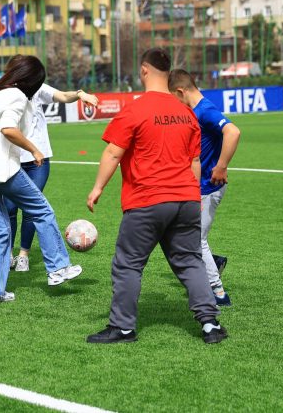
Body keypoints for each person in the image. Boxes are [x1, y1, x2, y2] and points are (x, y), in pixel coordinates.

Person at [85, 48, 226, 344]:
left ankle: (123, 328)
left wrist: (97, 188)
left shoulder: (135, 109)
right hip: (186, 199)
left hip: (147, 200)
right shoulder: (187, 113)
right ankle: (210, 325)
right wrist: (192, 195)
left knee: (128, 263)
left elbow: (113, 152)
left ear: (144, 70)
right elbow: (195, 162)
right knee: (190, 262)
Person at [0, 55, 82, 304]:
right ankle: (58, 268)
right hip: (1, 170)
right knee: (42, 211)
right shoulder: (16, 96)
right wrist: (34, 149)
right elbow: (8, 129)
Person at [2, 59, 99, 272]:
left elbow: (63, 96)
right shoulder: (5, 93)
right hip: (12, 159)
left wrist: (80, 94)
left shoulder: (37, 88)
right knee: (9, 209)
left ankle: (23, 255)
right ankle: (6, 253)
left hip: (39, 160)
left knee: (31, 208)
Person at [168, 69, 241, 306]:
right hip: (197, 187)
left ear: (181, 91)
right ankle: (214, 263)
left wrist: (221, 166)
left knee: (196, 240)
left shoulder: (205, 110)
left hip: (209, 187)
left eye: (174, 97)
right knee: (179, 235)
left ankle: (218, 294)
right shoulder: (194, 111)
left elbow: (233, 132)